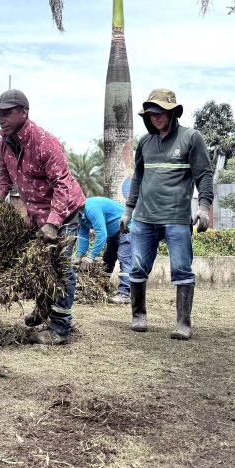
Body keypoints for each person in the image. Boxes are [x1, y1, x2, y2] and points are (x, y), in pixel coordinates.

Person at [0, 88, 86, 345]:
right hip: (36, 213)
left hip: (65, 211)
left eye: (7, 113)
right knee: (39, 263)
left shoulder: (44, 141)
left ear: (24, 113)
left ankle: (60, 328)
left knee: (61, 268)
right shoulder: (3, 144)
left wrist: (53, 222)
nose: (1, 118)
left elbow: (62, 185)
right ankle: (44, 308)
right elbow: (4, 180)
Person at [121, 88, 214, 340]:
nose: (155, 117)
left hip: (176, 218)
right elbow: (138, 178)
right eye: (151, 113)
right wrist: (128, 211)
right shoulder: (145, 143)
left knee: (182, 269)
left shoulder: (191, 138)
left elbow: (204, 175)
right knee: (138, 267)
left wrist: (204, 208)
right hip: (144, 218)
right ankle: (138, 315)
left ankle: (183, 323)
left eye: (160, 112)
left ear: (173, 112)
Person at [74, 196, 133, 304]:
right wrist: (79, 256)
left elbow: (101, 234)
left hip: (127, 228)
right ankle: (103, 289)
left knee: (124, 258)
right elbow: (83, 235)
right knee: (108, 260)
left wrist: (91, 257)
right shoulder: (80, 216)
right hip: (114, 233)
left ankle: (124, 295)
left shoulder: (91, 208)